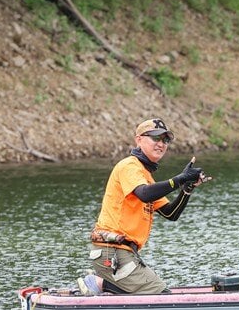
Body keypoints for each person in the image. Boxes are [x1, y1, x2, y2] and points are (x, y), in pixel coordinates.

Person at [77, 118, 210, 295]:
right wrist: (180, 179)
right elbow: (145, 194)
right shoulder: (129, 166)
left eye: (166, 140)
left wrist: (187, 188)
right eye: (155, 138)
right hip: (113, 252)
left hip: (122, 254)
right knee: (162, 296)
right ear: (139, 140)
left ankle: (104, 287)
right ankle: (101, 283)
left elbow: (171, 214)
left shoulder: (145, 176)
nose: (161, 144)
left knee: (152, 295)